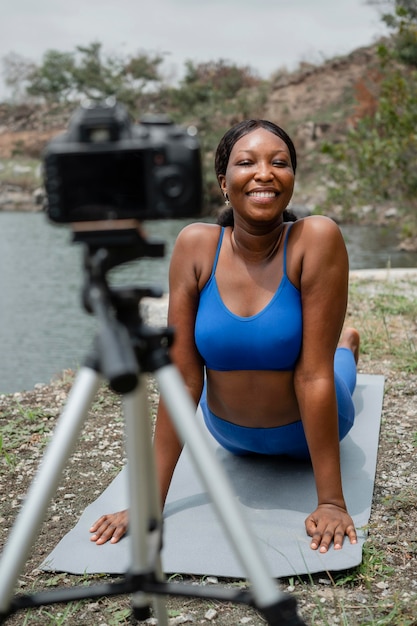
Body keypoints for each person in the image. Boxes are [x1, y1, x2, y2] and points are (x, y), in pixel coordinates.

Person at [90, 119, 360, 554]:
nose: (264, 173)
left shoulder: (316, 237)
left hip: (302, 436)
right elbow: (183, 378)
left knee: (333, 367)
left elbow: (312, 377)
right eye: (246, 162)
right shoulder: (197, 246)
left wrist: (330, 501)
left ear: (292, 178)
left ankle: (346, 348)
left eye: (280, 162)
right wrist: (149, 502)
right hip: (229, 435)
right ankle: (343, 344)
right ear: (224, 182)